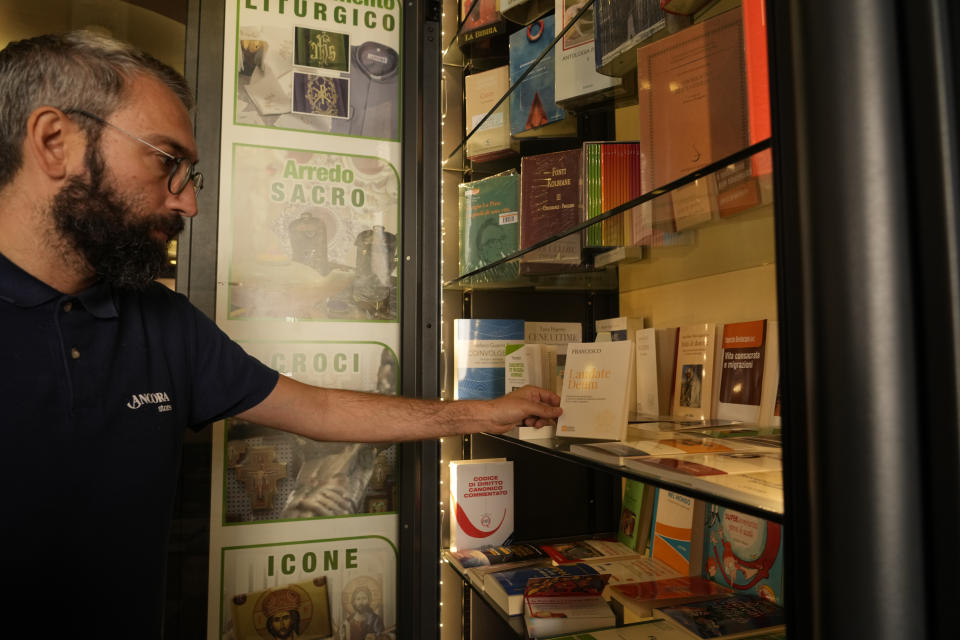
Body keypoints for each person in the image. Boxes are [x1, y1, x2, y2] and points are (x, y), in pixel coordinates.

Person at [0, 31, 561, 635]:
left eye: (190, 175)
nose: (187, 204)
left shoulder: (164, 325)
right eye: (166, 162)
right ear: (54, 141)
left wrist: (482, 414)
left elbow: (318, 408)